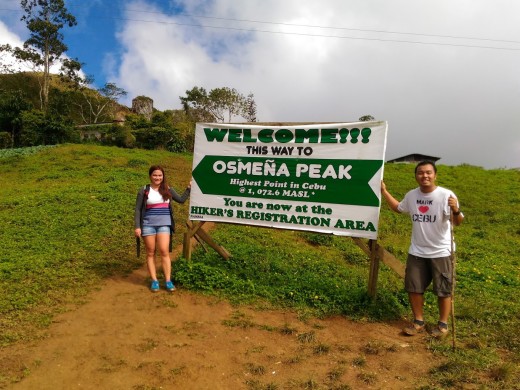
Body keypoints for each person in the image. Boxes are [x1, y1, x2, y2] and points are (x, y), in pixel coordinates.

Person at [381, 160, 464, 338]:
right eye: (420, 173)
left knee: (443, 289)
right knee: (414, 287)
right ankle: (418, 321)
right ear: (416, 176)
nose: (424, 176)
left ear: (435, 175)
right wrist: (384, 192)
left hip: (441, 251)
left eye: (428, 172)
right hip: (417, 251)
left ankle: (442, 324)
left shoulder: (446, 195)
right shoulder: (411, 195)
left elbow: (457, 222)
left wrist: (455, 210)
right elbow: (398, 208)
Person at [134, 165, 191, 292]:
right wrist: (137, 227)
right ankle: (154, 280)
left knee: (164, 251)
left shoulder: (167, 189)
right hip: (148, 225)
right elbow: (138, 209)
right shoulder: (144, 190)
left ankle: (168, 280)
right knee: (150, 252)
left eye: (160, 175)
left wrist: (189, 189)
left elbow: (181, 200)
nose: (157, 177)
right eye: (155, 175)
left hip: (164, 225)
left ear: (163, 176)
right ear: (150, 176)